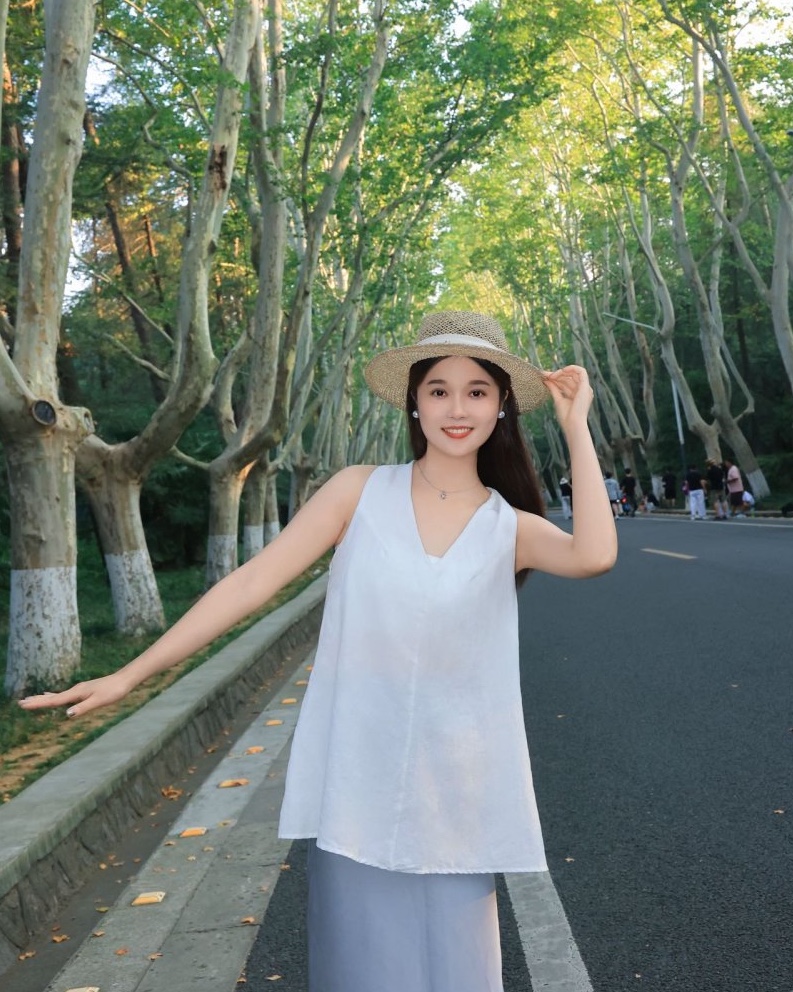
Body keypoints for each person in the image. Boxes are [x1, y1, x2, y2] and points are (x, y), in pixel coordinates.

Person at [18, 311, 618, 992]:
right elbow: (252, 582)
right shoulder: (358, 491)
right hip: (357, 780)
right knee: (364, 969)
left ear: (501, 405)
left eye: (477, 391)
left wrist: (575, 426)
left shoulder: (508, 526)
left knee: (456, 971)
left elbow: (594, 554)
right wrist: (130, 675)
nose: (457, 409)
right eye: (439, 390)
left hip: (457, 790)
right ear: (414, 402)